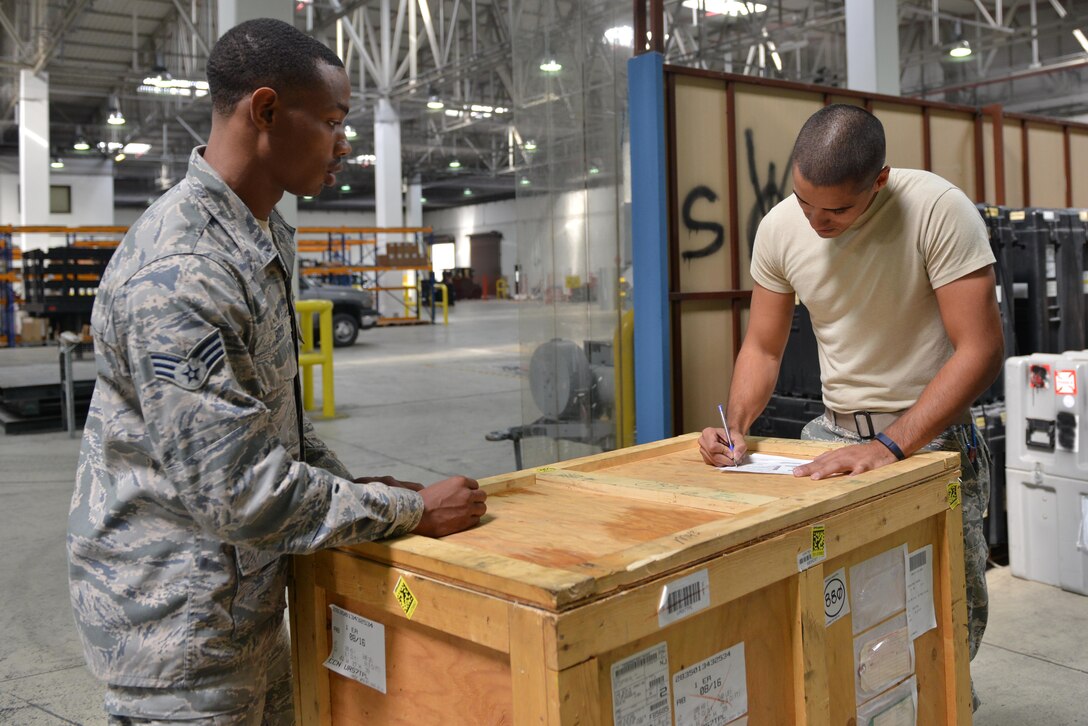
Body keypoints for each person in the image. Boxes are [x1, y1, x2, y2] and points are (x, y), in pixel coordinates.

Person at [67, 18, 486, 725]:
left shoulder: (259, 235)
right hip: (177, 639)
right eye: (329, 121)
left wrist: (352, 488)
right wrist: (410, 513)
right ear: (264, 111)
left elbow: (270, 419)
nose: (343, 143)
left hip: (243, 610)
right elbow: (238, 492)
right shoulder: (183, 271)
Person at [698, 104, 1003, 708]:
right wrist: (736, 428)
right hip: (830, 438)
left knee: (942, 617)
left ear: (879, 181)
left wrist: (890, 446)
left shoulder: (938, 210)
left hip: (930, 443)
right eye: (805, 201)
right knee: (832, 615)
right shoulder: (781, 227)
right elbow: (762, 345)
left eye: (836, 209)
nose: (816, 221)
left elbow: (981, 348)